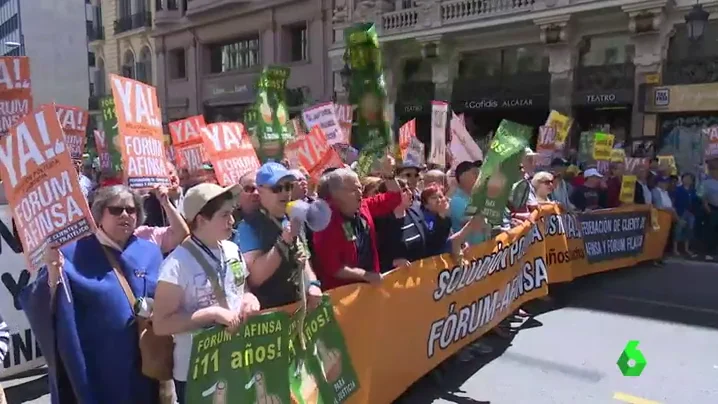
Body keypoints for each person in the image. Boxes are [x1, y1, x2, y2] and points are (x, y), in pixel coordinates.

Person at [20, 185, 164, 403]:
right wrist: (51, 271)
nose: (125, 214)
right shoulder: (71, 253)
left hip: (145, 359)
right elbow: (43, 302)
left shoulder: (150, 252)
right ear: (99, 215)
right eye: (116, 210)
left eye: (131, 209)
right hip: (100, 366)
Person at [153, 183, 260, 404]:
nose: (232, 221)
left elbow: (242, 288)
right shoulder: (176, 265)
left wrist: (249, 299)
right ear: (201, 220)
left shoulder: (231, 249)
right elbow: (161, 324)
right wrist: (210, 314)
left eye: (232, 214)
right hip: (197, 371)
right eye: (225, 215)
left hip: (237, 358)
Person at [235, 162, 323, 309]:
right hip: (271, 317)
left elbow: (303, 258)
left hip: (299, 309)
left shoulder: (293, 218)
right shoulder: (249, 227)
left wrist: (313, 284)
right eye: (277, 188)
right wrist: (283, 242)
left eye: (288, 187)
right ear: (261, 191)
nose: (285, 193)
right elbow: (255, 278)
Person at [312, 157, 402, 290]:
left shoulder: (364, 206)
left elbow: (394, 198)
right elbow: (334, 268)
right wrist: (365, 275)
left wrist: (389, 174)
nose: (360, 193)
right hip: (342, 295)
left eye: (360, 187)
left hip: (370, 289)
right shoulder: (324, 221)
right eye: (353, 189)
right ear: (335, 193)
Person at [374, 180, 451, 272]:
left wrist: (442, 216)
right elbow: (374, 256)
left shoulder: (415, 213)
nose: (410, 193)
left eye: (409, 189)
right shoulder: (380, 223)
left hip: (421, 277)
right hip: (395, 281)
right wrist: (392, 262)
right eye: (404, 191)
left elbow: (433, 243)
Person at [134, 185, 190, 255]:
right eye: (117, 210)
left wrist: (165, 202)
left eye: (130, 210)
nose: (124, 214)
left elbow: (181, 234)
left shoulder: (145, 234)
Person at [449, 161, 488, 246]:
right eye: (475, 173)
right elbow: (477, 223)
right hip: (470, 253)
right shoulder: (457, 201)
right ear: (462, 177)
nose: (479, 177)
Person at [673, 173, 699, 257]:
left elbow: (696, 201)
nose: (687, 180)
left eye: (689, 179)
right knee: (678, 230)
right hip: (681, 212)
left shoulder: (693, 191)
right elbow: (674, 202)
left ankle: (686, 249)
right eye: (686, 178)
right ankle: (675, 249)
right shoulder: (677, 190)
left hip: (690, 213)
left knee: (689, 230)